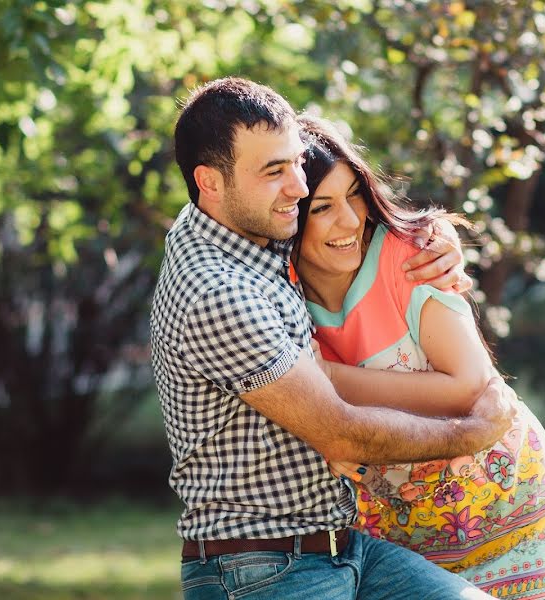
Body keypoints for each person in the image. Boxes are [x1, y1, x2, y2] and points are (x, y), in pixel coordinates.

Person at [151, 76, 517, 599]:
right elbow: (342, 435)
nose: (299, 188)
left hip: (342, 546)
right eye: (274, 172)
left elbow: (346, 233)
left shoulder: (236, 225)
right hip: (260, 568)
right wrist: (474, 430)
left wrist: (436, 236)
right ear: (209, 182)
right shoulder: (217, 292)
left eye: (296, 161)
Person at [292, 115, 545, 599]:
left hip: (516, 514)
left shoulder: (408, 255)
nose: (350, 220)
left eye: (354, 193)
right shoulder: (276, 292)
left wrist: (327, 376)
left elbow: (468, 387)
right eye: (322, 207)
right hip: (406, 546)